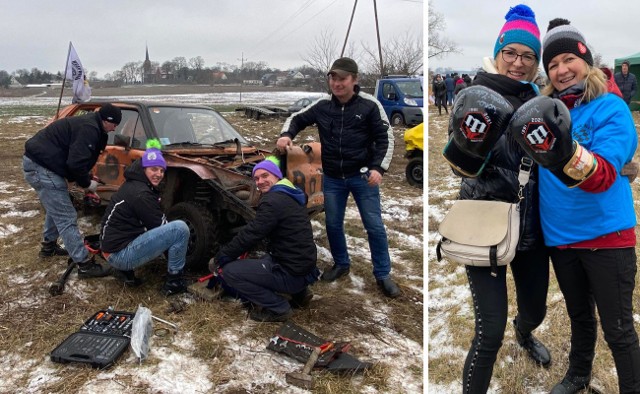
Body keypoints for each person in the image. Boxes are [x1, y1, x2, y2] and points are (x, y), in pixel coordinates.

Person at [510, 18, 640, 393]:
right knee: (579, 315)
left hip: (606, 235)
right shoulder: (547, 108)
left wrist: (557, 145)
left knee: (618, 329)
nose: (562, 70)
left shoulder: (610, 109)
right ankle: (579, 374)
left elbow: (600, 176)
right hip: (561, 237)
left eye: (569, 59)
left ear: (586, 60)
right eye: (552, 64)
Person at [442, 5, 551, 393]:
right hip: (483, 223)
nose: (518, 63)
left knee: (535, 308)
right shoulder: (475, 94)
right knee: (489, 330)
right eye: (511, 53)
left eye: (528, 56)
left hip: (531, 224)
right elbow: (457, 165)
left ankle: (525, 333)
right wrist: (473, 147)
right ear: (498, 52)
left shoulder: (543, 99)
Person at [276, 57, 401, 298]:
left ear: (354, 80)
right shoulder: (323, 106)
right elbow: (297, 118)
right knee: (333, 224)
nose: (336, 83)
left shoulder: (369, 106)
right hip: (333, 178)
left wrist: (378, 168)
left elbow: (386, 137)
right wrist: (286, 134)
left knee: (374, 226)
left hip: (363, 177)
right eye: (333, 78)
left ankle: (383, 274)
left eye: (342, 78)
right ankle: (341, 264)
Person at [211, 156, 319, 322]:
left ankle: (279, 308)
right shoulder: (291, 194)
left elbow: (252, 233)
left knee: (231, 272)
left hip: (290, 272)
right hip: (305, 267)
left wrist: (223, 256)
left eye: (265, 176)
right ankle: (300, 293)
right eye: (256, 178)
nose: (260, 181)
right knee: (267, 257)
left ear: (276, 176)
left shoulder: (272, 201)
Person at [23, 104, 121, 278]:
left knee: (57, 206)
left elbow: (80, 158)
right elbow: (75, 163)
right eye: (114, 124)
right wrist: (87, 184)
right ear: (106, 120)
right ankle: (84, 265)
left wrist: (88, 177)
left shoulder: (93, 126)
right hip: (42, 166)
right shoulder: (89, 128)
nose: (115, 128)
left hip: (45, 163)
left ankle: (49, 246)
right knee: (66, 215)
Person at [99, 140, 190, 296]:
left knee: (172, 230)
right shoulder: (141, 194)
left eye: (162, 171)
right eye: (154, 169)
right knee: (180, 229)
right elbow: (161, 227)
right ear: (144, 168)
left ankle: (124, 271)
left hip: (112, 248)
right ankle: (175, 282)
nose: (159, 175)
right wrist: (180, 247)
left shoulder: (136, 184)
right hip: (119, 255)